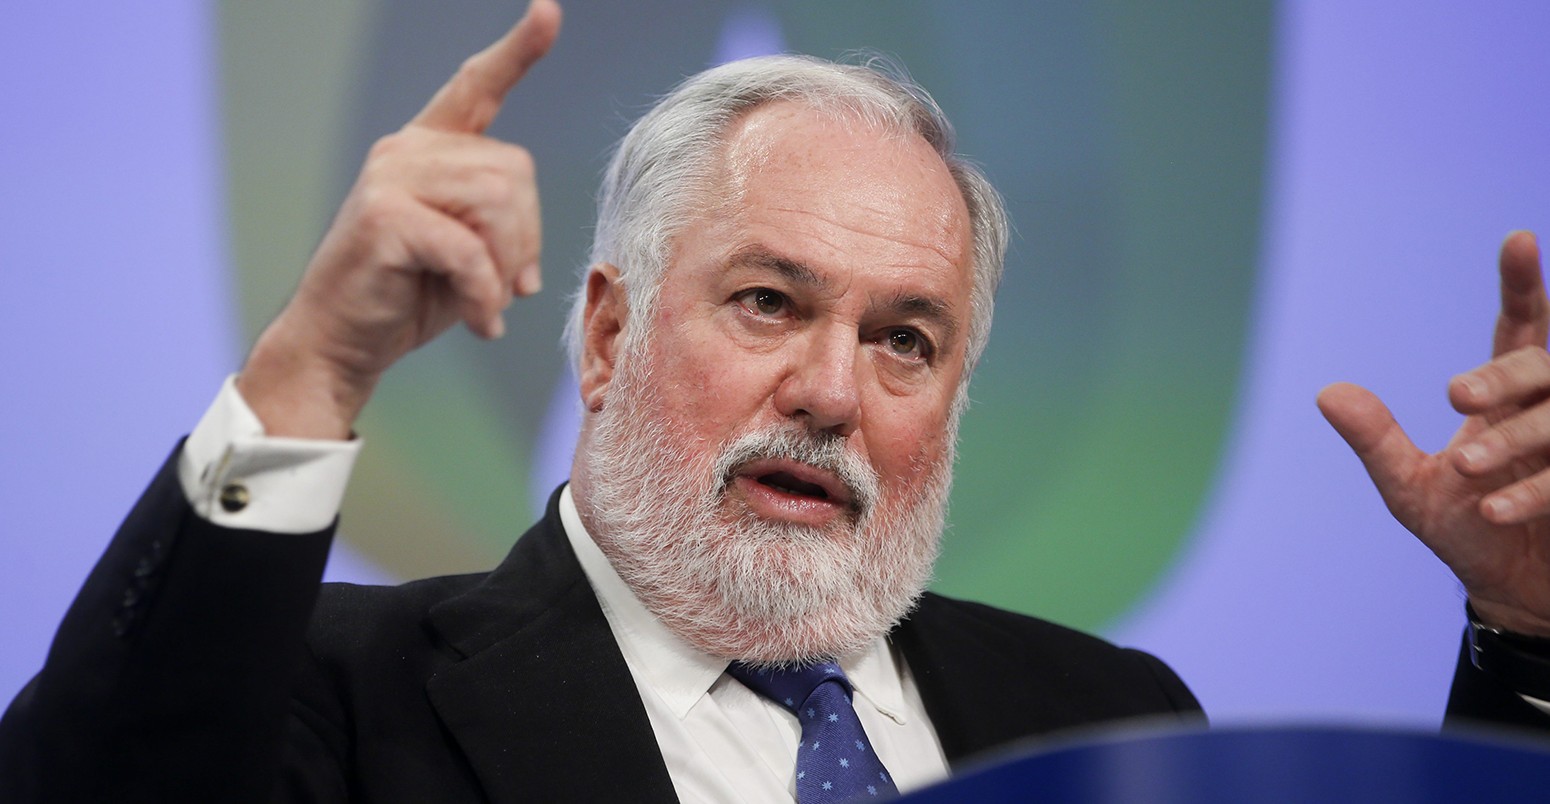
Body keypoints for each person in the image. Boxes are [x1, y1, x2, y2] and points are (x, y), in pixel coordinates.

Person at [3, 1, 1549, 800]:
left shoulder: (1101, 720)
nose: (828, 391)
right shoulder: (337, 690)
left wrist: (1527, 640)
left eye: (906, 339)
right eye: (767, 302)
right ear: (603, 336)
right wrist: (312, 374)